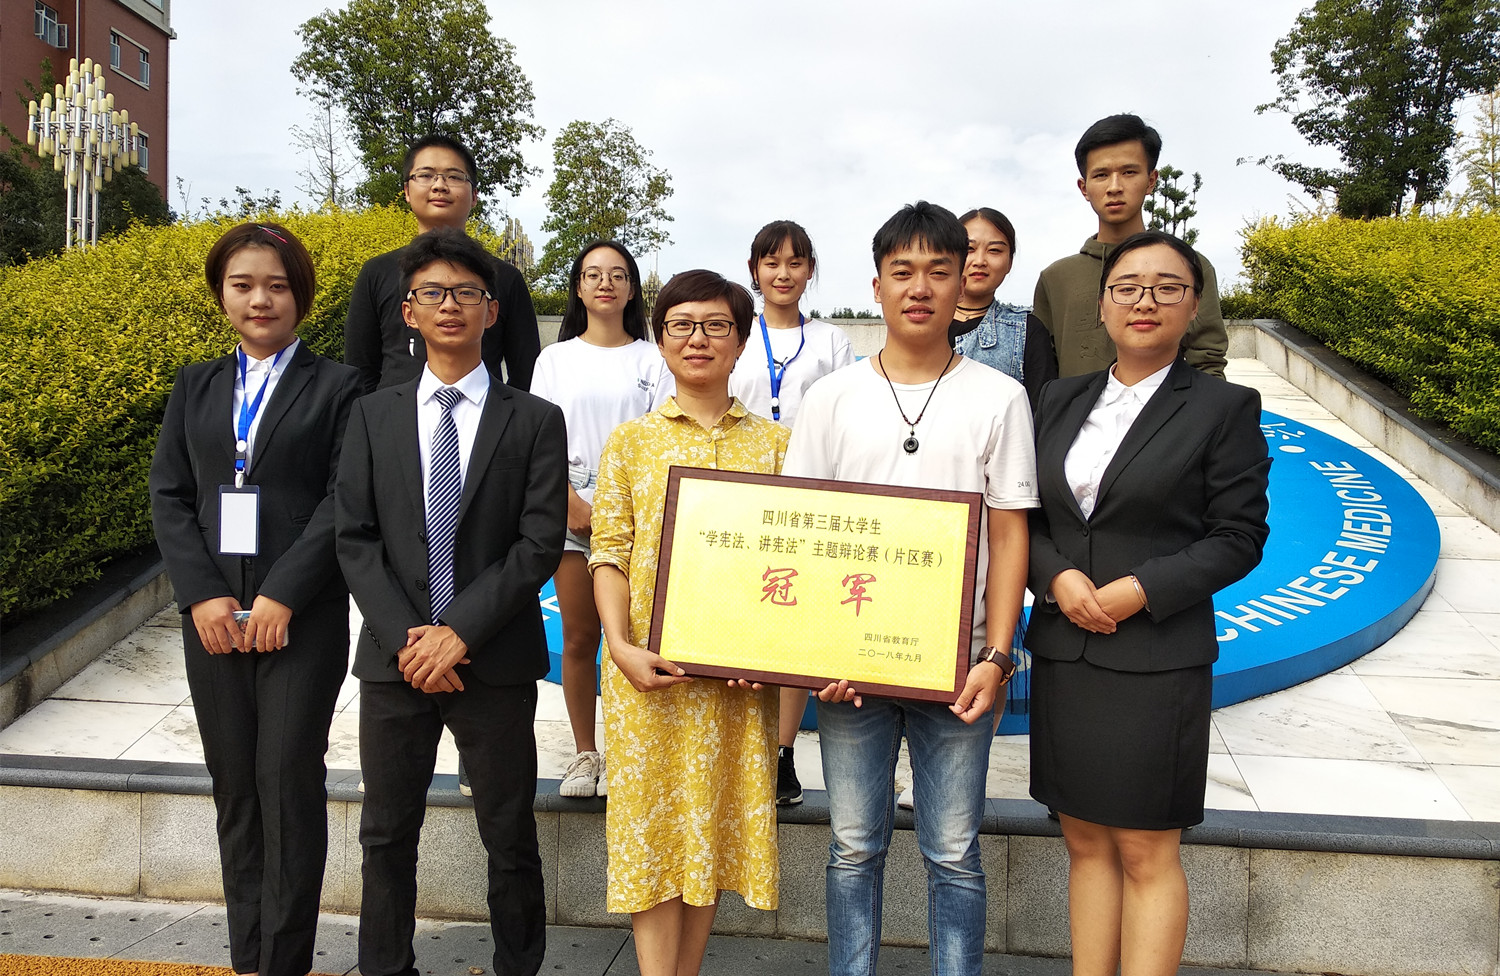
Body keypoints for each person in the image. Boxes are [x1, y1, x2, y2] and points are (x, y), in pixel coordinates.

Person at [782, 202, 1037, 976]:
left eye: (937, 271)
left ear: (963, 283)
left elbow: (1010, 533)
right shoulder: (830, 398)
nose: (919, 288)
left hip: (958, 666)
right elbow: (802, 528)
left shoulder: (1000, 397)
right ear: (877, 285)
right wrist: (814, 651)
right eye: (903, 272)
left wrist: (997, 655)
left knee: (954, 853)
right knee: (853, 847)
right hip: (850, 665)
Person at [1026, 231, 1270, 976]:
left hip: (1158, 656)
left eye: (1168, 287)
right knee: (1083, 840)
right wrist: (1055, 577)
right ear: (1102, 306)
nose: (1145, 301)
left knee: (1145, 848)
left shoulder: (1223, 407)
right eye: (1128, 286)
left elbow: (1239, 536)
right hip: (1068, 649)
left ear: (1194, 307)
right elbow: (1025, 516)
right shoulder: (1059, 399)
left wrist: (1140, 590)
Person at [335, 228, 567, 976]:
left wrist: (458, 632)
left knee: (509, 832)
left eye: (467, 293)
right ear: (408, 312)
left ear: (491, 311)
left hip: (492, 659)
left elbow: (538, 542)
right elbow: (354, 538)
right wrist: (411, 636)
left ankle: (517, 967)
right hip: (395, 660)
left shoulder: (533, 419)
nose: (450, 305)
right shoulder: (371, 415)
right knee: (385, 833)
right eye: (432, 292)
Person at [149, 222, 362, 976]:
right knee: (235, 789)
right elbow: (171, 495)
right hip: (212, 622)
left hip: (299, 621)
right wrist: (203, 596)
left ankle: (284, 962)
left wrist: (282, 594)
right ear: (222, 295)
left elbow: (343, 500)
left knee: (287, 783)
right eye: (242, 285)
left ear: (300, 295)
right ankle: (248, 959)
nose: (260, 299)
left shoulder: (340, 387)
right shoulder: (196, 384)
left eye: (276, 285)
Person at [589, 270, 789, 976]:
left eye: (716, 325)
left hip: (737, 684)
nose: (698, 339)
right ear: (661, 339)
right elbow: (608, 553)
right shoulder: (630, 443)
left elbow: (791, 565)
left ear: (742, 341)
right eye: (681, 325)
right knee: (652, 836)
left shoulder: (778, 447)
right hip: (648, 675)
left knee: (709, 837)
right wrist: (620, 646)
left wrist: (768, 654)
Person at [530, 239, 672, 798]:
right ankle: (585, 753)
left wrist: (622, 509)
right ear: (579, 288)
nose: (605, 283)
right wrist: (569, 501)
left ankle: (629, 752)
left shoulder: (653, 359)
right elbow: (539, 438)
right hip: (570, 504)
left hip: (637, 508)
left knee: (633, 637)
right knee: (581, 636)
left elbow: (661, 440)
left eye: (617, 274)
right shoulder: (555, 359)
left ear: (632, 288)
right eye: (593, 274)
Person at [728, 219, 854, 807]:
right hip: (741, 491)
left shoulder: (831, 341)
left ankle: (781, 752)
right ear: (754, 270)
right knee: (742, 618)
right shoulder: (734, 331)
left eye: (795, 262)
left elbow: (847, 416)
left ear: (810, 271)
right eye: (771, 262)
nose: (783, 273)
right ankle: (739, 748)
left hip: (809, 492)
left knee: (795, 621)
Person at [1032, 114, 1227, 379]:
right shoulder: (1056, 278)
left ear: (1151, 180)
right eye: (1101, 175)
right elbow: (1044, 373)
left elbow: (1207, 363)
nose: (1114, 187)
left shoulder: (1189, 266)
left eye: (1128, 172)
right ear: (1084, 187)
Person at [344, 133, 540, 395]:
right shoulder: (376, 273)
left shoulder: (504, 277)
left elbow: (526, 374)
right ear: (407, 191)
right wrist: (378, 417)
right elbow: (360, 372)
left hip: (485, 417)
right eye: (426, 175)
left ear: (474, 195)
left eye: (454, 176)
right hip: (393, 418)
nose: (439, 186)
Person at [950, 206, 1057, 410]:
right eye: (969, 249)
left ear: (1009, 263)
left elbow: (1040, 416)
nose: (980, 261)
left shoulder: (1028, 331)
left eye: (994, 250)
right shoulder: (921, 322)